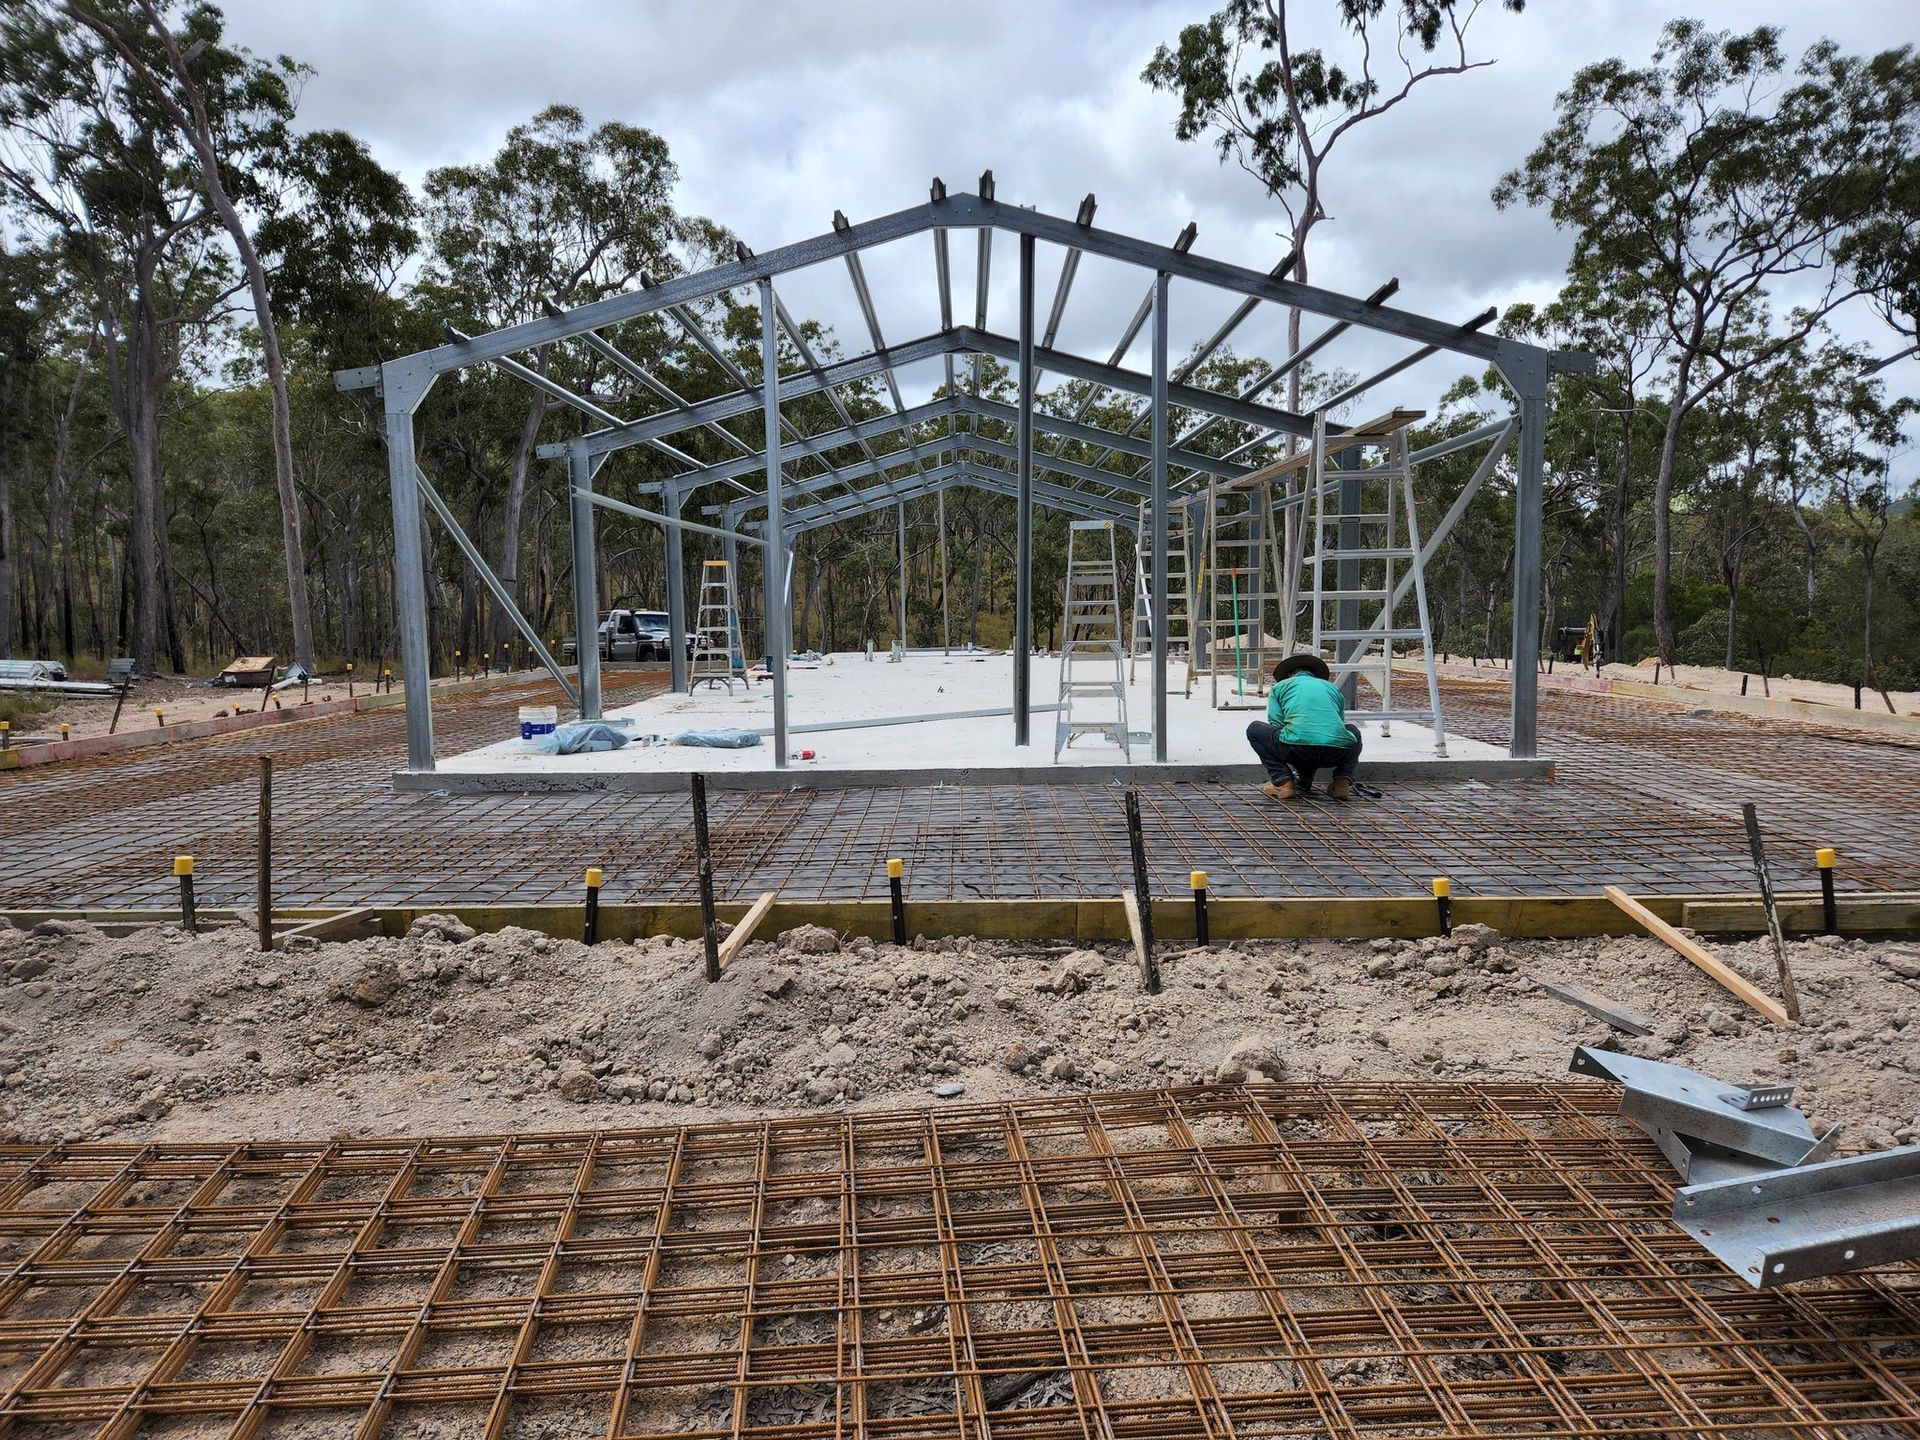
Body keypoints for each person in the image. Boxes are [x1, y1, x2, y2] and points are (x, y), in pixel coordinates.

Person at [1245, 654, 1363, 800]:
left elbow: (1277, 724)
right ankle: (1342, 782)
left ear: (1289, 674)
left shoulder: (1280, 687)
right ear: (1314, 674)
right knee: (1353, 732)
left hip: (1296, 748)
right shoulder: (1332, 688)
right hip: (1337, 752)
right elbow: (1338, 725)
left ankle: (1283, 781)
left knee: (1255, 730)